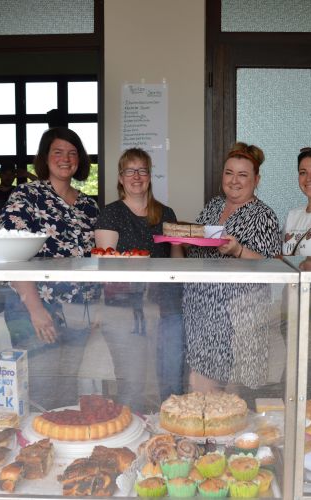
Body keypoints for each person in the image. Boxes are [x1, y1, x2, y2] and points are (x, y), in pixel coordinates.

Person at [0, 127, 100, 410]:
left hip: (79, 311)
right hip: (37, 307)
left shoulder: (89, 206)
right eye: (58, 152)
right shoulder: (26, 196)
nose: (66, 159)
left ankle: (62, 450)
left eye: (72, 153)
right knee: (42, 390)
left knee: (67, 388)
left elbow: (99, 257)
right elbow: (12, 255)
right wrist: (35, 310)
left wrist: (94, 308)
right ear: (45, 158)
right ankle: (37, 450)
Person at [183, 142, 283, 393]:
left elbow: (271, 265)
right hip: (201, 311)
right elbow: (197, 247)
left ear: (256, 179)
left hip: (241, 315)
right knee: (200, 385)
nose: (234, 180)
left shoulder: (264, 215)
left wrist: (238, 251)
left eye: (243, 175)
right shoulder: (213, 207)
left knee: (233, 392)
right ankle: (205, 432)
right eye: (229, 173)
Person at [94, 147, 184, 408]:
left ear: (150, 176)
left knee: (171, 381)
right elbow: (106, 265)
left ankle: (171, 437)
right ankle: (130, 439)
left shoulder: (166, 214)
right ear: (120, 178)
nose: (136, 176)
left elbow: (178, 263)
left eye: (142, 170)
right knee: (132, 383)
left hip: (166, 307)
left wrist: (183, 244)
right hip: (124, 311)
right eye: (129, 171)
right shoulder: (110, 214)